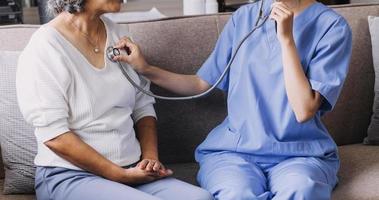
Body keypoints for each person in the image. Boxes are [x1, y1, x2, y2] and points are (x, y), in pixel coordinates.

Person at [113, 0, 353, 199]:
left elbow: (304, 109)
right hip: (234, 152)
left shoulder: (332, 27)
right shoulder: (245, 17)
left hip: (299, 154)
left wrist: (287, 40)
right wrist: (145, 68)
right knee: (235, 193)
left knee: (301, 190)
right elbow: (201, 83)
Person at [15, 0, 213, 200]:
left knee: (201, 198)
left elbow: (143, 107)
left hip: (132, 169)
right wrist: (119, 175)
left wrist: (150, 158)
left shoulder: (119, 35)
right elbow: (54, 135)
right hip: (71, 175)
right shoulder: (44, 46)